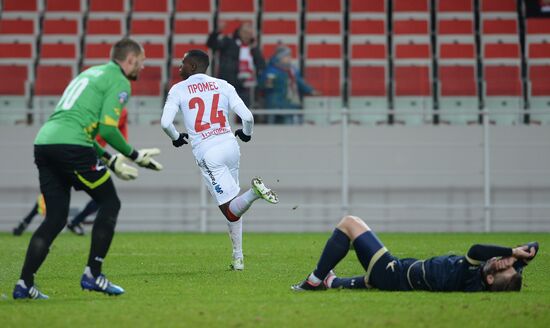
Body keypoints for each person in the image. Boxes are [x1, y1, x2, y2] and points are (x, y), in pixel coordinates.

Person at [13, 38, 163, 300]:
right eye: (141, 61)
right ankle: (93, 274)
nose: (142, 66)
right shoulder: (119, 81)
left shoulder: (90, 73)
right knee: (110, 202)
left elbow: (77, 126)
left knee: (56, 217)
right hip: (72, 147)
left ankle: (24, 284)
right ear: (129, 60)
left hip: (45, 143)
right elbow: (107, 129)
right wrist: (134, 155)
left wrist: (108, 158)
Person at [161, 50, 278, 271]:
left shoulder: (178, 89)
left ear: (193, 67)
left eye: (183, 63)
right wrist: (246, 134)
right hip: (231, 146)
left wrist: (176, 138)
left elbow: (166, 123)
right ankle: (238, 257)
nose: (179, 67)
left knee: (229, 209)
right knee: (233, 202)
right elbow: (248, 117)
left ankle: (255, 192)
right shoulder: (223, 84)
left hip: (208, 152)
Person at [292, 215, 538, 292]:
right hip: (397, 276)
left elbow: (477, 250)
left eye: (503, 266)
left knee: (350, 223)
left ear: (491, 278)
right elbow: (534, 244)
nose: (506, 261)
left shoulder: (470, 271)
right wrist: (522, 258)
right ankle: (331, 281)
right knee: (368, 279)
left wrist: (512, 251)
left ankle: (313, 282)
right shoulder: (480, 281)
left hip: (394, 272)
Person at [12, 109, 130, 237]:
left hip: (85, 152)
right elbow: (111, 133)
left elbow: (120, 136)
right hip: (81, 152)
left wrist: (123, 154)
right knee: (105, 197)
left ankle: (28, 223)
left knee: (58, 191)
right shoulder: (108, 109)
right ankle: (73, 223)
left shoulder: (117, 111)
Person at [207, 22, 265, 107]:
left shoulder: (253, 48)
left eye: (249, 33)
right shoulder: (229, 42)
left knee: (244, 113)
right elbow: (211, 44)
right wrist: (217, 32)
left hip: (246, 87)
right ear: (239, 32)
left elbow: (261, 65)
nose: (247, 35)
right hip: (229, 83)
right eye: (245, 32)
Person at [260, 46, 318, 125]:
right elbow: (263, 85)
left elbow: (299, 82)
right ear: (279, 57)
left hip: (289, 103)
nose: (289, 58)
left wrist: (310, 90)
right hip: (274, 104)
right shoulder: (270, 70)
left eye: (289, 56)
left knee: (289, 125)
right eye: (287, 56)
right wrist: (268, 83)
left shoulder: (292, 70)